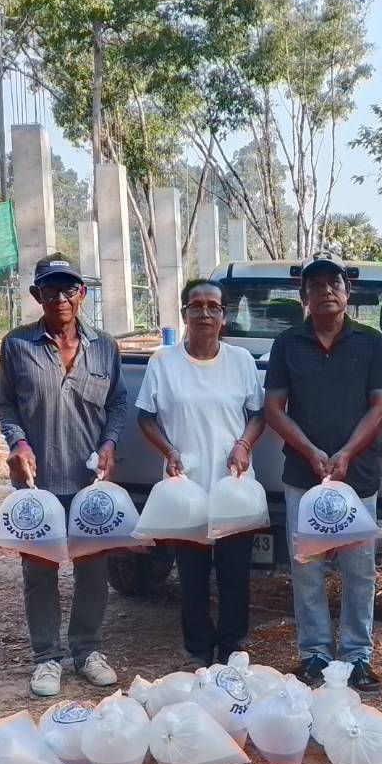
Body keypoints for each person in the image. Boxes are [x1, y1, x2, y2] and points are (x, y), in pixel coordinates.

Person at [0, 254, 126, 696]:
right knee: (40, 573)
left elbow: (117, 405)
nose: (61, 298)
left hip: (90, 484)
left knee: (92, 571)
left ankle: (87, 650)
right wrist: (18, 443)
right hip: (38, 481)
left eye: (69, 290)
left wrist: (109, 444)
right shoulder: (17, 345)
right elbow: (6, 404)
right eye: (51, 290)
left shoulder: (105, 345)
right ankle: (47, 658)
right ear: (37, 296)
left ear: (82, 294)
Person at [264, 256, 382, 691]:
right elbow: (273, 409)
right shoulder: (287, 345)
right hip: (303, 475)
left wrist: (345, 453)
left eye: (333, 283)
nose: (326, 291)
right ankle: (315, 654)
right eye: (315, 285)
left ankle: (357, 656)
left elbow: (380, 405)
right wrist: (313, 451)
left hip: (358, 478)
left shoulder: (371, 342)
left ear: (347, 291)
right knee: (307, 569)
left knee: (360, 570)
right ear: (304, 296)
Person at [136, 279, 266, 667]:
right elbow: (145, 417)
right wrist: (168, 450)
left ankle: (230, 647)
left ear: (224, 316)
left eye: (213, 307)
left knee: (234, 573)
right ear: (185, 314)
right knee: (191, 575)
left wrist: (244, 445)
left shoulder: (241, 361)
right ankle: (197, 649)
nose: (205, 314)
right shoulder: (164, 362)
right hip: (186, 486)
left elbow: (258, 415)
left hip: (233, 485)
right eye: (197, 306)